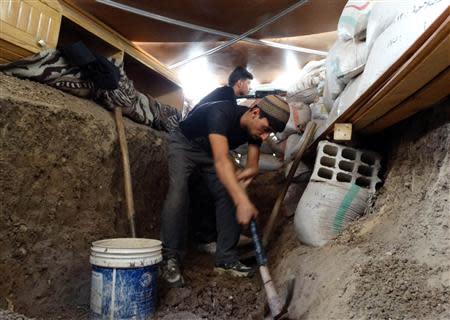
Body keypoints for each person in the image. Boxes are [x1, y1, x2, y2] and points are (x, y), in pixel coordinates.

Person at [160, 95, 290, 287]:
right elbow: (222, 161)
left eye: (268, 133)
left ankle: (226, 260)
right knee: (178, 193)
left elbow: (252, 166)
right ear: (255, 113)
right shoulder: (220, 113)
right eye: (265, 130)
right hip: (184, 144)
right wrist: (241, 201)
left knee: (228, 193)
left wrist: (239, 183)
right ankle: (170, 258)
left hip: (210, 153)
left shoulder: (254, 130)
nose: (264, 137)